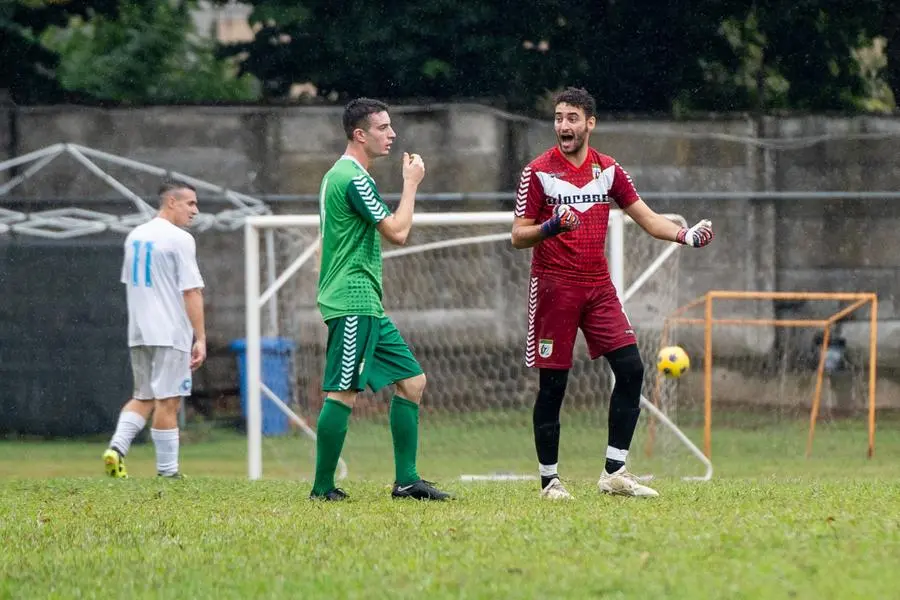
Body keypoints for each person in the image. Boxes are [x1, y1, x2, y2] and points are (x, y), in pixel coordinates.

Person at [511, 87, 714, 499]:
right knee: (554, 385)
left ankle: (614, 473)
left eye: (571, 118)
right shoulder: (538, 172)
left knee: (632, 369)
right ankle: (550, 480)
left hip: (598, 287)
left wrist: (684, 235)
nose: (563, 126)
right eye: (558, 118)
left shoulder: (608, 169)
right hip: (554, 287)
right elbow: (517, 236)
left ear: (590, 123)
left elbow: (647, 218)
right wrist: (551, 226)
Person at [309, 97, 451, 501]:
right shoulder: (353, 178)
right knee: (342, 392)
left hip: (365, 301)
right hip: (353, 301)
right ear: (360, 134)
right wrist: (411, 184)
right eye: (382, 128)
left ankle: (407, 481)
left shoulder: (336, 176)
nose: (391, 135)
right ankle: (322, 489)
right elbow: (398, 232)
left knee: (412, 382)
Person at [102, 180, 206, 479]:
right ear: (171, 202)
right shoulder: (180, 239)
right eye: (190, 204)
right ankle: (168, 472)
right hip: (170, 331)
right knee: (168, 400)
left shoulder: (135, 236)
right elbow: (191, 292)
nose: (195, 211)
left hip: (139, 330)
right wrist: (200, 337)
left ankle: (116, 449)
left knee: (144, 394)